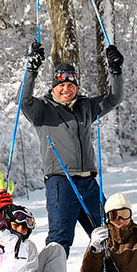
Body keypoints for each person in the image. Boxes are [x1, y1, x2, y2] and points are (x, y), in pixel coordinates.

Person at [21, 42, 124, 256]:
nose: (66, 89)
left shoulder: (86, 106)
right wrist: (31, 70)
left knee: (108, 233)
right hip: (60, 183)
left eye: (70, 84)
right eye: (61, 85)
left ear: (76, 85)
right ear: (53, 87)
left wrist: (115, 71)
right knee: (59, 239)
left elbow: (114, 98)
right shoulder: (42, 109)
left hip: (88, 183)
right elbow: (23, 101)